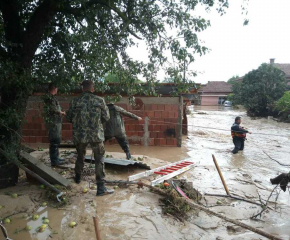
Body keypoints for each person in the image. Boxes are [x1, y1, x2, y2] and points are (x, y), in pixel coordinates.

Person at [66, 80, 113, 196]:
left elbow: (68, 117)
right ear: (92, 88)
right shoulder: (99, 100)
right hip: (96, 135)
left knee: (80, 156)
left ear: (82, 88)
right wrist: (96, 124)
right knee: (99, 159)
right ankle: (101, 188)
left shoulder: (75, 101)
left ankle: (77, 178)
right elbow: (106, 117)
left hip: (80, 135)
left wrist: (79, 123)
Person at [43, 83, 66, 167]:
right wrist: (61, 112)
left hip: (56, 122)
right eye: (57, 88)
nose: (57, 90)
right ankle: (54, 160)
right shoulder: (49, 98)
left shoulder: (51, 97)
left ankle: (56, 157)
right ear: (54, 88)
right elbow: (53, 110)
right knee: (54, 141)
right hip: (53, 123)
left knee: (57, 140)